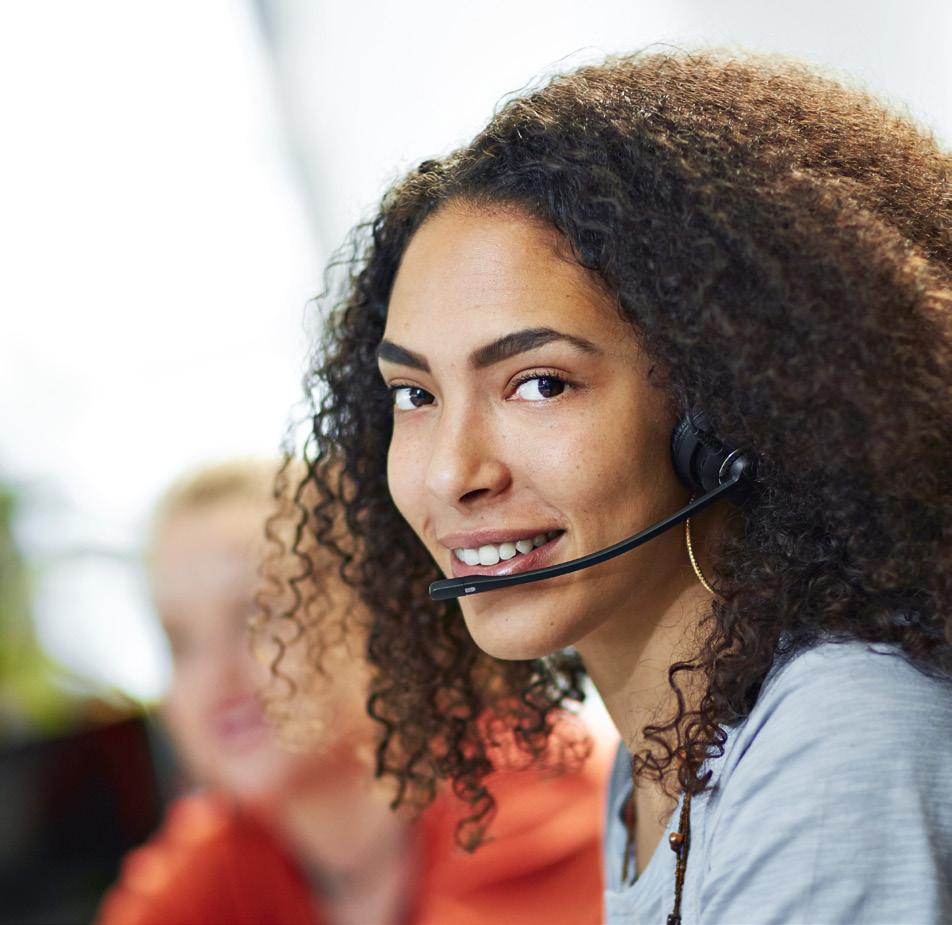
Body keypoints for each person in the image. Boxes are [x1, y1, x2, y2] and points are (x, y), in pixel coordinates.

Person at [273, 52, 952, 923]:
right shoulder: (661, 750)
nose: (452, 472)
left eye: (540, 383)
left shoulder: (837, 735)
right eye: (416, 395)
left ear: (721, 406)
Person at [97, 460, 607, 925]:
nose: (214, 677)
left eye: (259, 614)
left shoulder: (531, 779)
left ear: (379, 613)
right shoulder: (221, 848)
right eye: (179, 642)